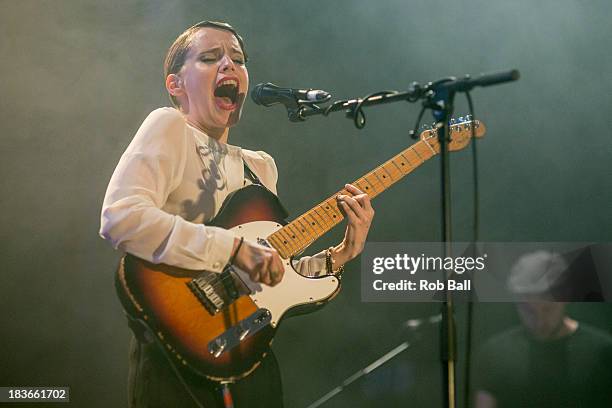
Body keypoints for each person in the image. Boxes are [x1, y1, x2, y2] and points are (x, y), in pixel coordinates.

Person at [99, 21, 375, 408]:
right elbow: (121, 217)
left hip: (249, 357)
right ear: (176, 85)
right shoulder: (169, 125)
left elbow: (272, 279)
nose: (229, 65)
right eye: (211, 58)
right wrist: (231, 249)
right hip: (176, 355)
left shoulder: (261, 166)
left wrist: (340, 255)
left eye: (239, 60)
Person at [473, 251, 612, 408]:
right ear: (517, 304)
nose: (539, 321)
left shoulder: (602, 352)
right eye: (529, 311)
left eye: (547, 309)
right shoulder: (494, 354)